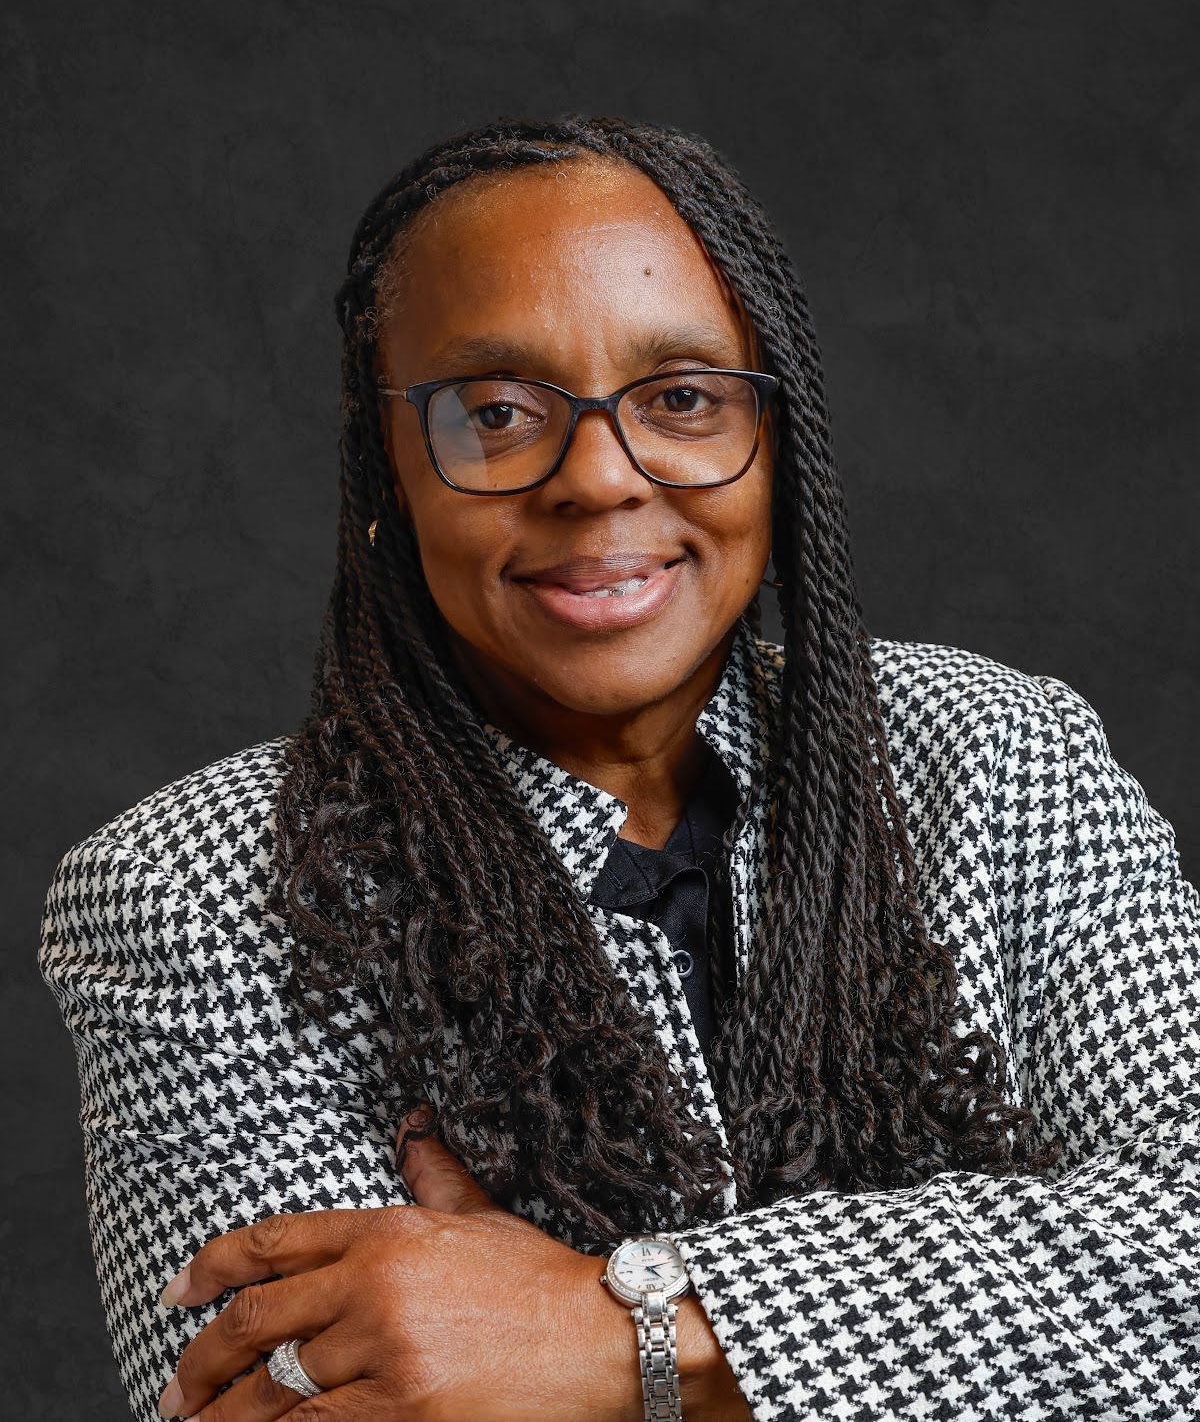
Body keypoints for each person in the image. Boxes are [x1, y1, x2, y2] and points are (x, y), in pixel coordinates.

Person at [39, 113, 1198, 1422]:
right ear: (389, 470)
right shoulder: (193, 897)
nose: (597, 479)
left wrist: (615, 1333)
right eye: (496, 412)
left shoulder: (995, 756)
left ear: (778, 444)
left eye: (684, 398)